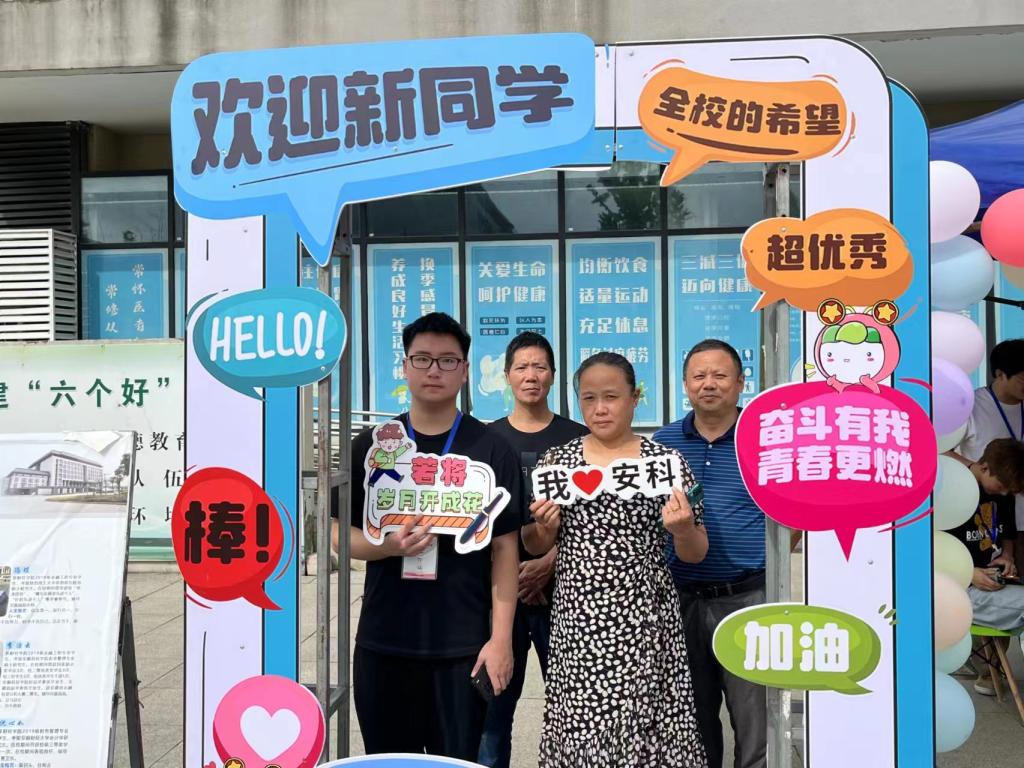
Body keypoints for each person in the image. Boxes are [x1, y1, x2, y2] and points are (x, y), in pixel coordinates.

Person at [330, 312, 525, 761]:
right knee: (389, 761)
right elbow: (339, 533)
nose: (434, 370)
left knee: (455, 761)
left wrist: (500, 640)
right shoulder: (373, 445)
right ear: (405, 366)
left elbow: (505, 549)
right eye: (422, 359)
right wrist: (385, 547)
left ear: (464, 370)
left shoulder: (492, 449)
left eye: (447, 360)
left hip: (463, 647)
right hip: (383, 642)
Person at [525, 351, 708, 767]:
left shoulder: (665, 464)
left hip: (647, 618)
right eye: (588, 398)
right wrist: (545, 529)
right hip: (579, 621)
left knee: (651, 726)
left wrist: (682, 529)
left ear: (634, 398)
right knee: (582, 726)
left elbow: (696, 551)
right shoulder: (557, 463)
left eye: (611, 397)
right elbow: (535, 544)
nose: (600, 408)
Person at [654, 339, 767, 768]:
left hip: (747, 599)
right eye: (699, 376)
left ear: (740, 382)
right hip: (681, 599)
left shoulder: (764, 439)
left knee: (754, 719)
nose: (709, 384)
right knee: (691, 719)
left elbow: (791, 519)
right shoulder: (663, 443)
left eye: (720, 375)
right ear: (685, 384)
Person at [479, 332, 588, 768]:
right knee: (491, 716)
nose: (531, 375)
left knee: (575, 713)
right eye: (522, 367)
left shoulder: (579, 439)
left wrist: (549, 563)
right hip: (495, 599)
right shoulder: (484, 441)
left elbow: (596, 519)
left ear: (553, 376)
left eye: (540, 367)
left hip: (565, 597)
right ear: (507, 376)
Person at [944, 438, 1024, 693]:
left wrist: (1008, 557)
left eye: (1010, 491)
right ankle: (989, 673)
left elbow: (1008, 534)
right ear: (985, 467)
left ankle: (991, 674)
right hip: (958, 590)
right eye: (1001, 486)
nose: (1004, 494)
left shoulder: (1004, 492)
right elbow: (931, 549)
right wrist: (969, 574)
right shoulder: (952, 489)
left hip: (994, 580)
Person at [950, 338, 1024, 575]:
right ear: (1000, 374)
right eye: (1023, 378)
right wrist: (978, 469)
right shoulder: (970, 406)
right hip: (987, 522)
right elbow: (941, 451)